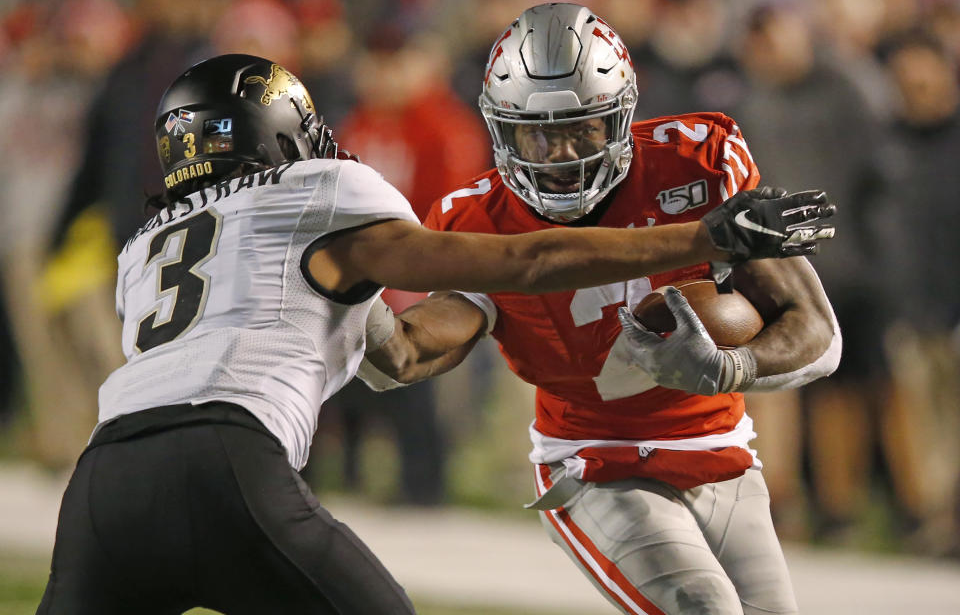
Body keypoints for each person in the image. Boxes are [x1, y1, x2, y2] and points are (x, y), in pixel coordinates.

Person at [36, 53, 832, 614]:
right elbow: (530, 261)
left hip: (101, 481)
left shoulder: (143, 247)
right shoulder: (320, 187)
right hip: (228, 458)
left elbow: (386, 343)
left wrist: (371, 322)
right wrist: (707, 238)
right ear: (283, 133)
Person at [360, 4, 841, 615]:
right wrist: (361, 316)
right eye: (536, 132)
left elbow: (820, 335)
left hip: (721, 450)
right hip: (593, 464)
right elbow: (420, 341)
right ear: (501, 128)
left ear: (620, 117)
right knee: (702, 604)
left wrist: (732, 367)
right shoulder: (478, 220)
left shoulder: (695, 163)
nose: (559, 155)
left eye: (581, 129)